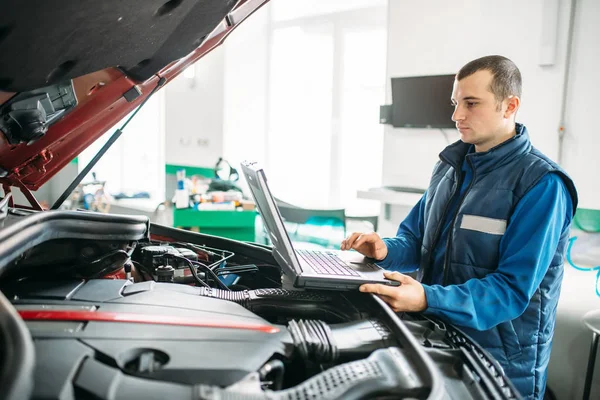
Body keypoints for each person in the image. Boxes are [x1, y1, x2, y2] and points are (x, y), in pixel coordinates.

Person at [341, 55, 578, 400]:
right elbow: (416, 239)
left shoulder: (542, 184)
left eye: (471, 103)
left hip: (499, 367)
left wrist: (426, 297)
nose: (456, 116)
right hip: (439, 341)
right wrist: (385, 250)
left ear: (509, 105)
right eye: (455, 103)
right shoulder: (450, 168)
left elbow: (510, 291)